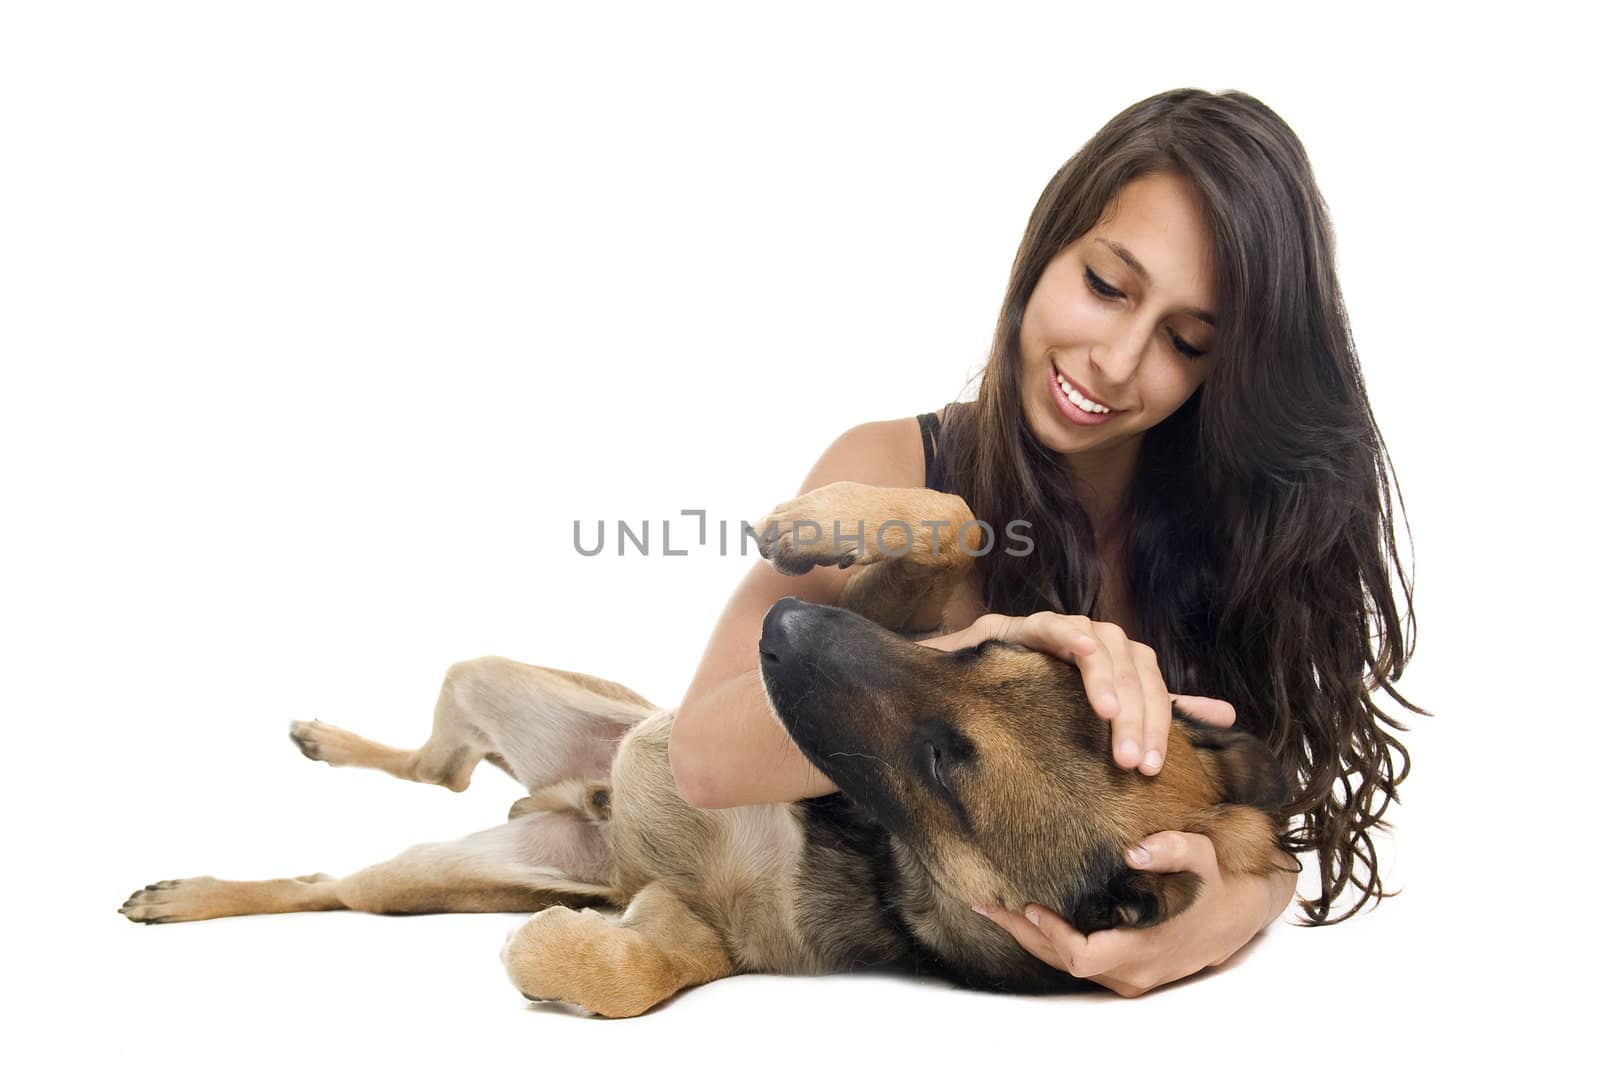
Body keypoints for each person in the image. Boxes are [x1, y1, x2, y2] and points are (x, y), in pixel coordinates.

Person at [668, 87, 1421, 998]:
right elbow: (699, 757)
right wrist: (975, 656)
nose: (1116, 359)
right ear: (1046, 246)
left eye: (1184, 341)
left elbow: (1250, 799)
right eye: (1106, 286)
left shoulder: (1227, 544)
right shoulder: (897, 468)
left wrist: (1247, 898)